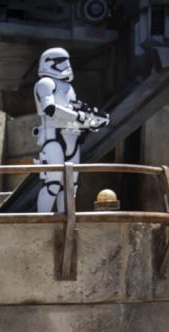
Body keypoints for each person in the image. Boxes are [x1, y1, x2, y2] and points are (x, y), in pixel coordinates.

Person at [33, 47, 109, 213]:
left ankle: (66, 222)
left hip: (71, 138)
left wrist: (91, 121)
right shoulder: (46, 83)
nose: (66, 64)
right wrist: (80, 117)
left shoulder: (68, 88)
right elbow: (51, 109)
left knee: (69, 187)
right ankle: (42, 223)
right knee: (52, 184)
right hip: (54, 139)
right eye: (61, 61)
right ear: (49, 63)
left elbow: (72, 115)